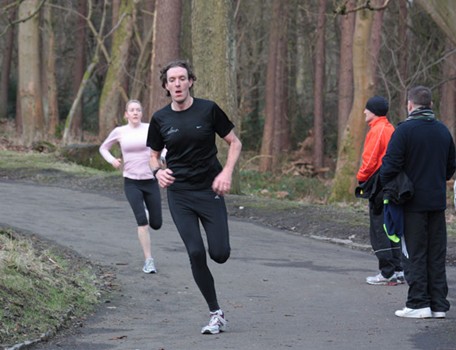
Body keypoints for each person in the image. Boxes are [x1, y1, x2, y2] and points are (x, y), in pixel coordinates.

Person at [146, 59, 242, 335]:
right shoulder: (160, 119)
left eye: (182, 78)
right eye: (172, 80)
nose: (177, 84)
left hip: (209, 189)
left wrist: (226, 173)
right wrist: (158, 173)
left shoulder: (208, 110)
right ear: (166, 86)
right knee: (196, 252)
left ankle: (216, 302)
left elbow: (235, 142)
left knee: (220, 254)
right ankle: (216, 312)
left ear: (190, 82)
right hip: (180, 193)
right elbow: (153, 155)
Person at [380, 86, 456, 318]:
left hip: (412, 203)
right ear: (430, 105)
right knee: (435, 253)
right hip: (436, 202)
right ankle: (438, 305)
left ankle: (417, 304)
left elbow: (389, 168)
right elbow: (450, 169)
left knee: (414, 252)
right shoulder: (443, 131)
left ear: (410, 105)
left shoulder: (404, 131)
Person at [100, 99, 162, 274]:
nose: (135, 113)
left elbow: (162, 147)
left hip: (150, 180)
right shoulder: (120, 131)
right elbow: (103, 148)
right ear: (126, 114)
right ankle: (148, 260)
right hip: (131, 182)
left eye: (138, 110)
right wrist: (112, 160)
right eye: (132, 110)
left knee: (156, 223)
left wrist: (163, 157)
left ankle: (149, 215)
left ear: (141, 113)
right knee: (142, 222)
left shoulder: (150, 128)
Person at [356, 96, 403, 285]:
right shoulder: (390, 128)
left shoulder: (378, 130)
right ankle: (398, 270)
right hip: (391, 184)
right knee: (391, 227)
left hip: (378, 183)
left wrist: (361, 178)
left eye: (367, 109)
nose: (364, 112)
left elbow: (370, 159)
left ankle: (386, 271)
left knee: (379, 228)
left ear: (374, 111)